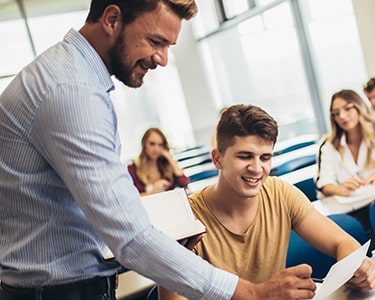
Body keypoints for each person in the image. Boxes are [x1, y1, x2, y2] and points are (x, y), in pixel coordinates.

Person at [0, 1, 316, 299]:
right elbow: (129, 237)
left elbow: (84, 216)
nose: (162, 59)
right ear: (112, 19)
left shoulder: (71, 78)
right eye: (156, 41)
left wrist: (163, 241)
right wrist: (250, 292)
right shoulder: (71, 91)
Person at [159, 104, 375, 300]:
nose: (257, 168)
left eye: (265, 158)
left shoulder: (280, 193)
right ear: (218, 159)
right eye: (245, 156)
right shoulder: (185, 220)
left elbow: (342, 242)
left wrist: (358, 268)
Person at [128, 127, 190, 196]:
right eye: (152, 144)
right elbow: (132, 198)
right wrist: (153, 191)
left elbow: (184, 184)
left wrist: (170, 158)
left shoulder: (166, 165)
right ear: (144, 144)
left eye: (160, 145)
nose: (156, 149)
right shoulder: (133, 169)